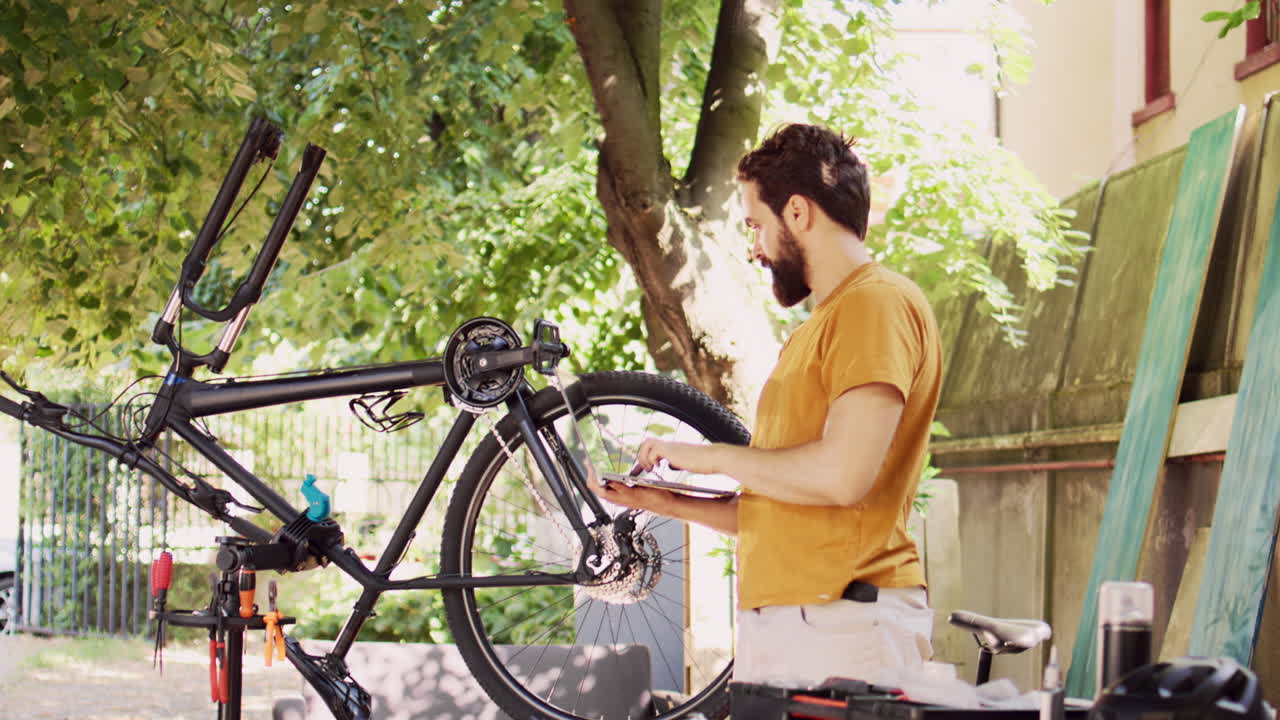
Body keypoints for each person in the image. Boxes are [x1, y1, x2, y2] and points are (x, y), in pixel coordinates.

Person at [590, 123, 944, 690]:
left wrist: (710, 457)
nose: (753, 248)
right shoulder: (817, 328)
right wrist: (658, 498)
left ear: (798, 213)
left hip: (844, 625)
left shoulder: (875, 304)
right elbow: (776, 507)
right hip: (799, 625)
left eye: (756, 224)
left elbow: (841, 478)